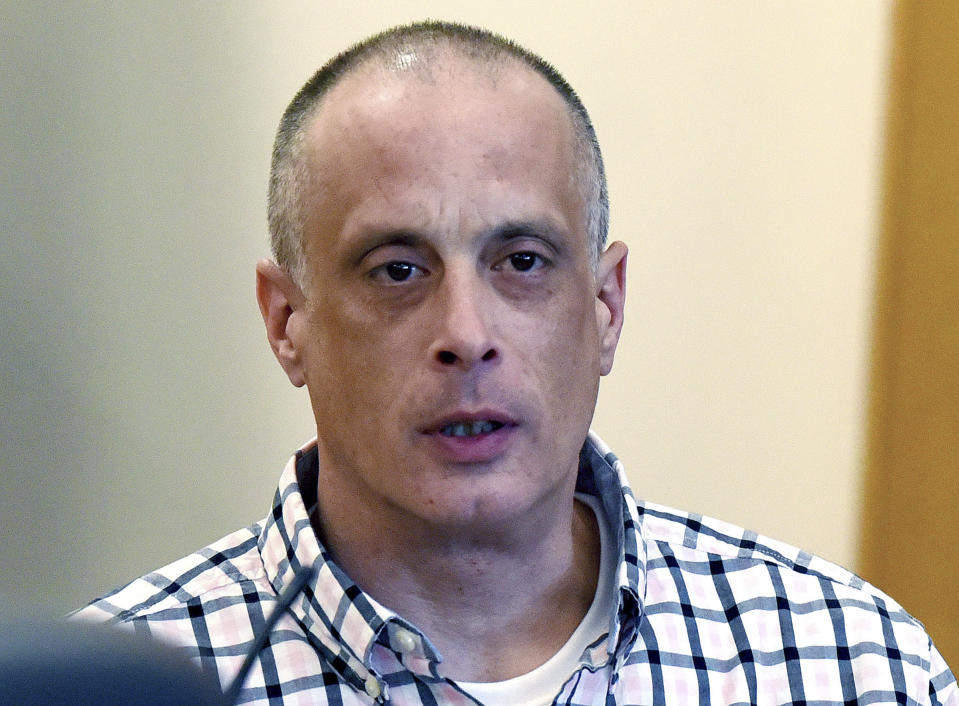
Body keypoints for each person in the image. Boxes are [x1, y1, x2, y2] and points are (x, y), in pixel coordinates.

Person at [76, 20, 957, 706]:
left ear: (605, 307)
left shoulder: (849, 665)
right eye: (397, 270)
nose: (466, 331)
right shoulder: (106, 687)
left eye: (521, 262)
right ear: (286, 323)